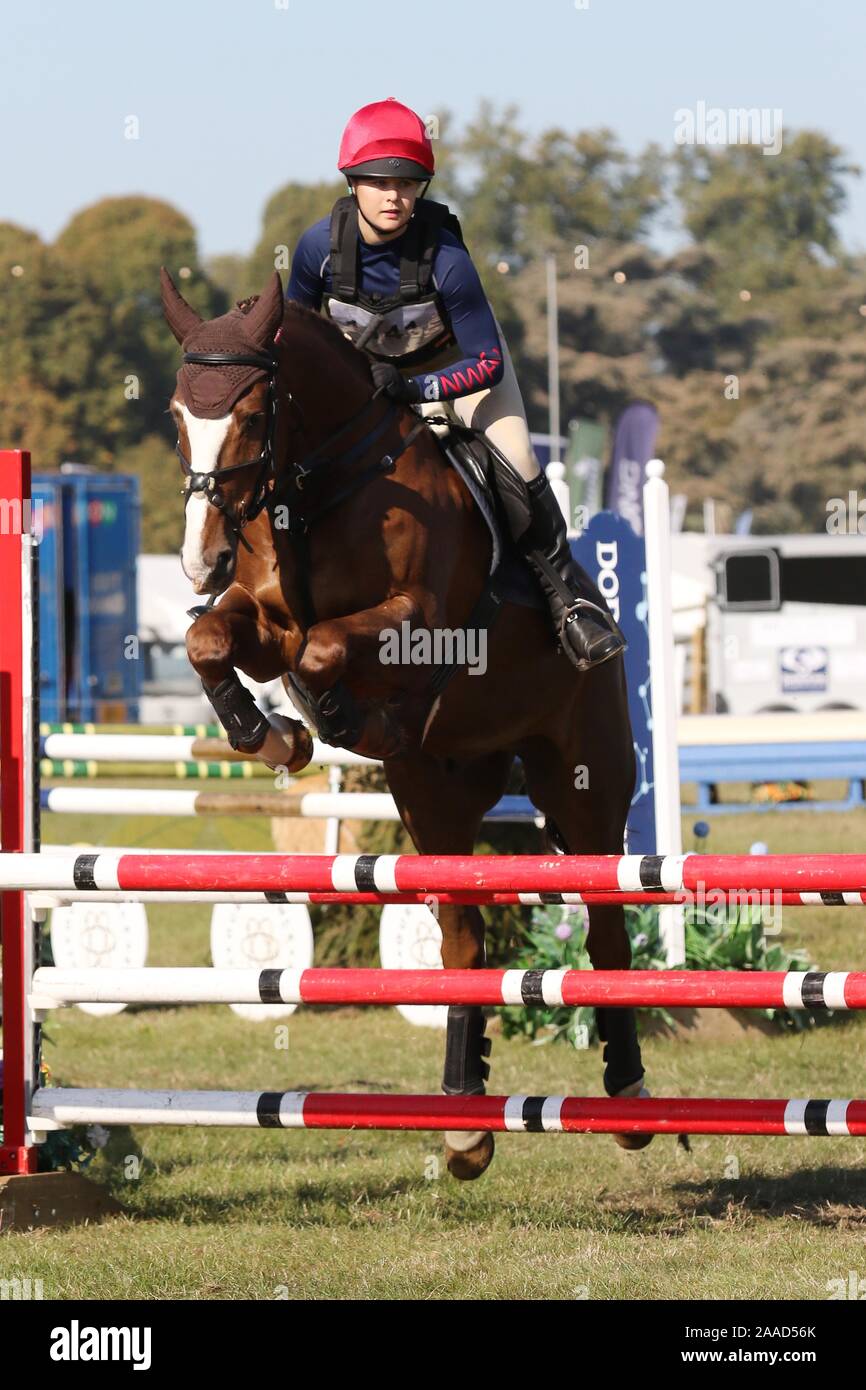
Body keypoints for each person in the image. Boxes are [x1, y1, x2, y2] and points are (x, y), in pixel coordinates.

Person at [286, 97, 624, 671]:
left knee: (518, 457)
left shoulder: (445, 257)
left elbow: (487, 361)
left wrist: (417, 392)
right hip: (366, 385)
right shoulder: (317, 250)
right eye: (378, 182)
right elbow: (294, 342)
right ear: (352, 183)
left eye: (408, 183)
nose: (394, 196)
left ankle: (569, 601)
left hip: (456, 374)